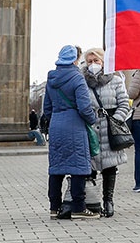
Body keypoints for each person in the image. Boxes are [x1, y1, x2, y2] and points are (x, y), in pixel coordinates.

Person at [44, 45, 99, 220]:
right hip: (74, 125)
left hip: (56, 125)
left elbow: (47, 109)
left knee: (56, 168)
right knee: (78, 168)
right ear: (75, 59)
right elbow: (84, 107)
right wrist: (92, 120)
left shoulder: (51, 78)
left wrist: (56, 119)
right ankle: (78, 208)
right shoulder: (77, 78)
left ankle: (54, 207)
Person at [83, 47, 131, 217]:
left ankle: (108, 200)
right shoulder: (82, 81)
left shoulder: (116, 80)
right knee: (90, 167)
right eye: (89, 61)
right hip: (90, 128)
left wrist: (116, 120)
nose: (93, 64)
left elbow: (124, 103)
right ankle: (92, 201)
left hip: (110, 127)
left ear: (103, 62)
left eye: (96, 61)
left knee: (110, 167)